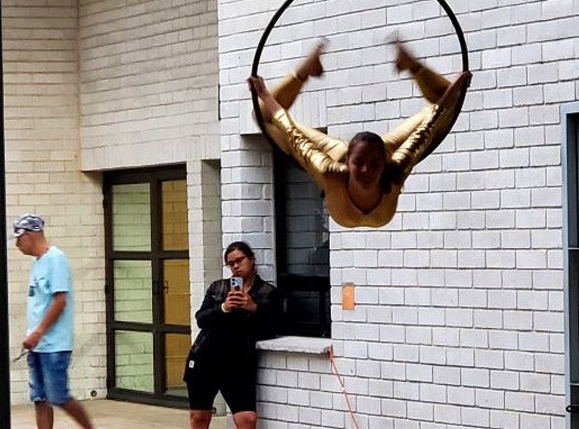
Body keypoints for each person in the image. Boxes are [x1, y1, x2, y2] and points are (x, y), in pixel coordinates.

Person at [247, 36, 471, 228]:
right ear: (348, 163)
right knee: (261, 114)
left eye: (374, 165)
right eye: (359, 163)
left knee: (446, 103)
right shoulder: (330, 171)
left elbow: (428, 128)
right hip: (340, 152)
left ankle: (412, 65)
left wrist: (457, 90)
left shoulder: (395, 168)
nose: (366, 171)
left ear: (384, 162)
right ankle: (304, 72)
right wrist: (264, 95)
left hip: (379, 149)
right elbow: (293, 136)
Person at [184, 241, 283, 429]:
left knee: (247, 419)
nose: (236, 266)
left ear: (251, 260)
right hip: (205, 358)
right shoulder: (218, 288)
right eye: (231, 263)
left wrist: (253, 307)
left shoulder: (267, 292)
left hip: (238, 361)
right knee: (199, 417)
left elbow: (273, 326)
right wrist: (224, 307)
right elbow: (201, 319)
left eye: (240, 260)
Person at [12, 213, 94, 429]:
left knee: (59, 395)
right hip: (37, 345)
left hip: (54, 345)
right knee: (39, 398)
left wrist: (39, 332)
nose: (17, 245)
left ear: (30, 234)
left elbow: (60, 301)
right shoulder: (37, 263)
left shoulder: (55, 259)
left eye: (19, 238)